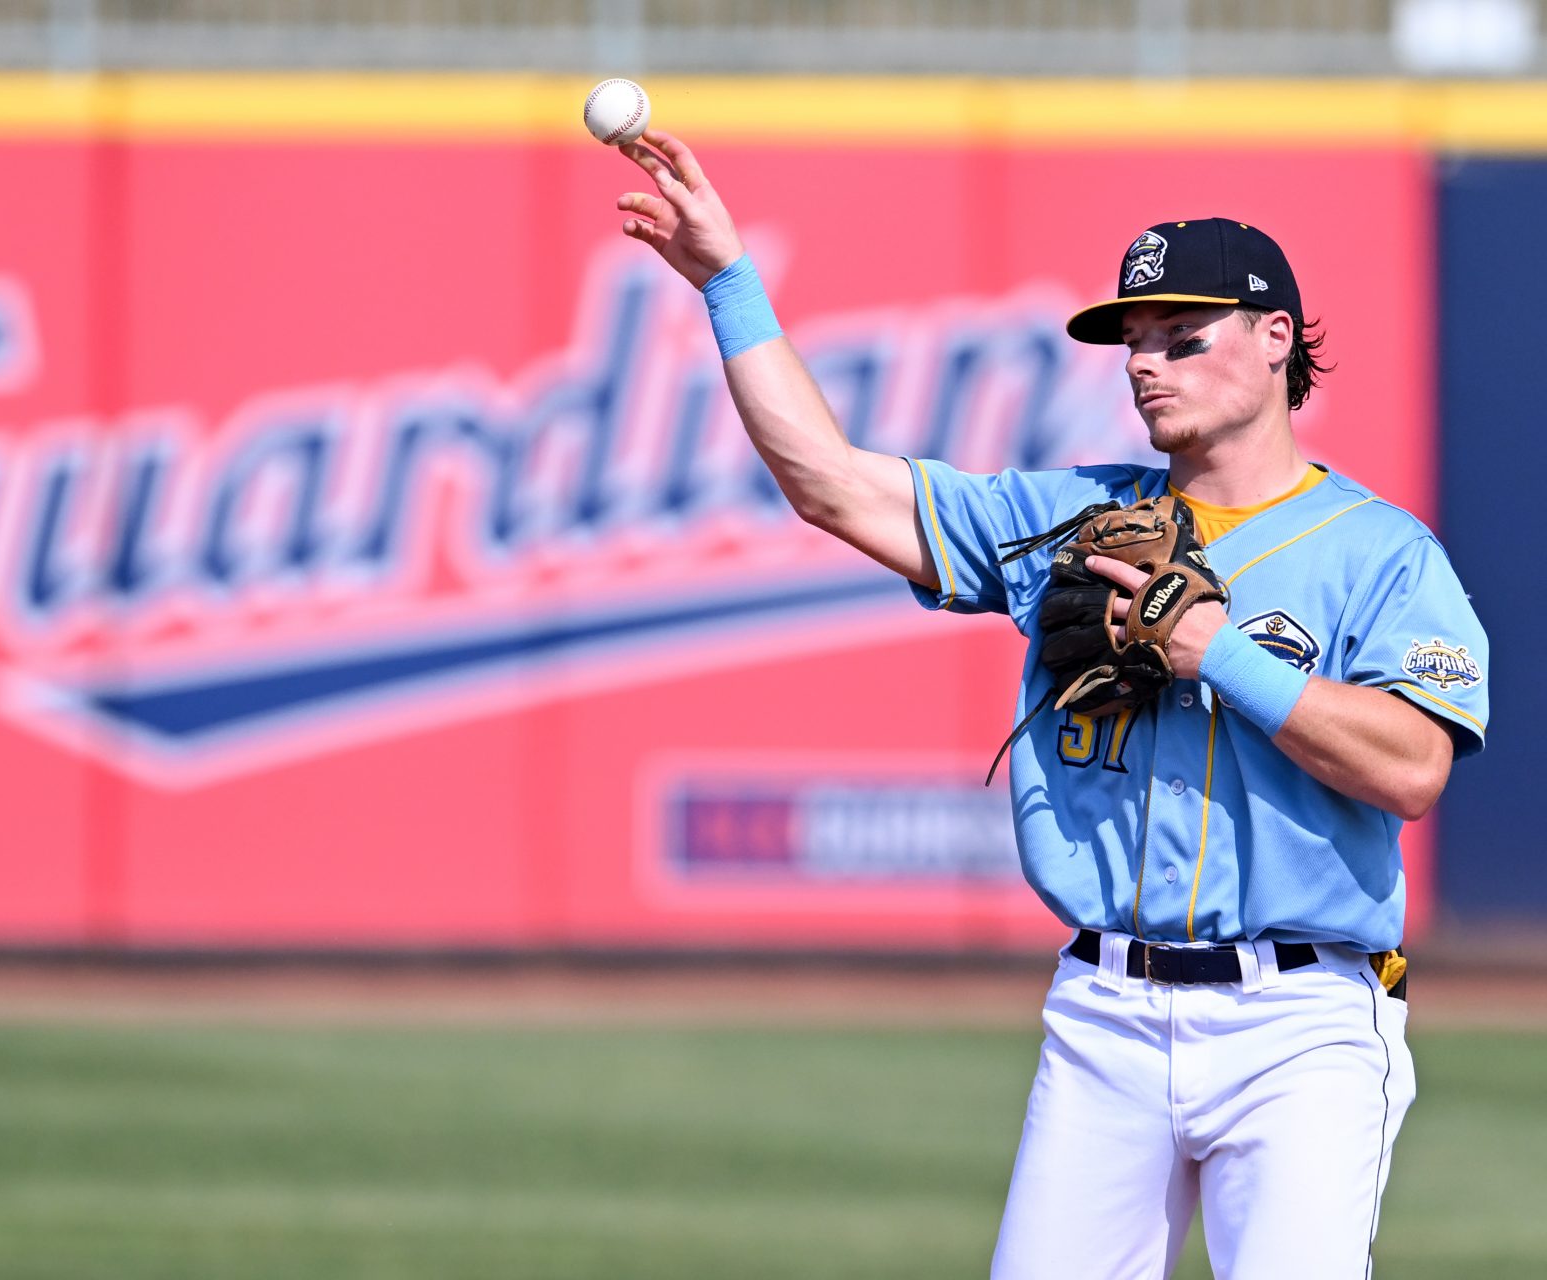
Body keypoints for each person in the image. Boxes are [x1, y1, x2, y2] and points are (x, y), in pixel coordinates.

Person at [609, 129, 1490, 1277]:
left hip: (1303, 1023)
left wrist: (1218, 651)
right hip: (1103, 1013)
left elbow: (1413, 769)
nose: (1147, 364)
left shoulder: (1381, 553)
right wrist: (729, 285)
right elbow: (829, 483)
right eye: (1134, 340)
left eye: (1183, 336)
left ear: (1277, 339)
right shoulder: (1074, 521)